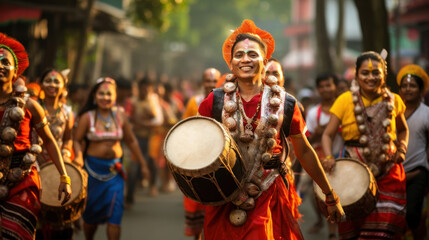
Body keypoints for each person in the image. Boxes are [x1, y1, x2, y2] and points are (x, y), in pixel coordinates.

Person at [197, 19, 344, 240]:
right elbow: (197, 146)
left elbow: (303, 151)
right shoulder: (214, 101)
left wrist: (329, 195)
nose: (245, 59)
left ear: (265, 61)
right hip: (225, 198)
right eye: (239, 55)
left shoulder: (286, 103)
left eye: (252, 54)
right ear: (230, 63)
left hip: (268, 196)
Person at [322, 51, 409, 239]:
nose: (371, 77)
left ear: (384, 75)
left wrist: (401, 148)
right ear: (356, 75)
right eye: (365, 73)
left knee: (385, 229)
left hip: (388, 172)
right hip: (353, 172)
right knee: (354, 227)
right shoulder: (345, 100)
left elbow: (403, 130)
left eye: (376, 73)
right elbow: (328, 135)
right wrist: (329, 157)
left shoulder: (394, 100)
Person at [0, 32, 71, 239]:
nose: (0, 66)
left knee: (16, 233)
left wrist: (64, 177)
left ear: (15, 72)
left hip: (22, 178)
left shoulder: (30, 105)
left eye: (5, 62)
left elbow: (48, 140)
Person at [73, 77, 149, 240]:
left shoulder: (120, 115)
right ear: (94, 96)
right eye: (101, 94)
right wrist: (78, 156)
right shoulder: (87, 117)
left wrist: (143, 164)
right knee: (90, 218)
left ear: (115, 97)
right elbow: (77, 140)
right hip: (92, 172)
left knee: (115, 217)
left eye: (109, 94)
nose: (105, 97)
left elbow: (131, 140)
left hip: (115, 173)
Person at [35, 68, 78, 240]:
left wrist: (67, 152)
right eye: (48, 81)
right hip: (35, 164)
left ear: (63, 87)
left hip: (59, 165)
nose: (52, 85)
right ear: (41, 84)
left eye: (56, 81)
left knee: (61, 211)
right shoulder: (33, 107)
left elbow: (68, 138)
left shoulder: (67, 112)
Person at [182, 67, 220, 239]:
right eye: (208, 81)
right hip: (196, 160)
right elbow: (184, 130)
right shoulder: (193, 102)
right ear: (202, 83)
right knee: (196, 204)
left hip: (220, 160)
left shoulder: (227, 101)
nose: (211, 84)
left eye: (214, 81)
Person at [305, 73, 342, 239]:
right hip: (321, 161)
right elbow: (306, 140)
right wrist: (317, 134)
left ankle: (334, 232)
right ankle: (328, 227)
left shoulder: (344, 108)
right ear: (318, 90)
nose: (326, 89)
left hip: (343, 157)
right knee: (318, 194)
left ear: (335, 87)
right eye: (322, 86)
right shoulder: (313, 113)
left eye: (329, 85)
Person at [397, 64, 429, 240]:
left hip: (418, 171)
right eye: (404, 86)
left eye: (412, 86)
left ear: (421, 89)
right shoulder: (392, 111)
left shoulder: (427, 114)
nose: (408, 89)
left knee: (413, 216)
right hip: (394, 173)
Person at [126, 77, 163, 202]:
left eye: (148, 89)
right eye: (143, 89)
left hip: (151, 136)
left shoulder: (153, 100)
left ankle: (152, 185)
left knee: (152, 161)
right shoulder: (132, 101)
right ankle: (131, 194)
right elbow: (129, 121)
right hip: (136, 137)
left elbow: (158, 120)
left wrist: (145, 123)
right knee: (134, 165)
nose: (145, 91)